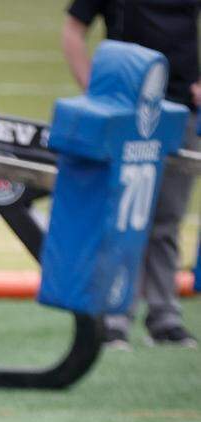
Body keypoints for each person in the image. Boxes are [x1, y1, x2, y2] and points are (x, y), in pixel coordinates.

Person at [62, 0, 200, 349]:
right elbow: (73, 30)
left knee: (167, 220)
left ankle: (164, 318)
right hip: (126, 110)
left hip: (181, 109)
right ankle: (113, 317)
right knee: (121, 216)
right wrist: (94, 90)